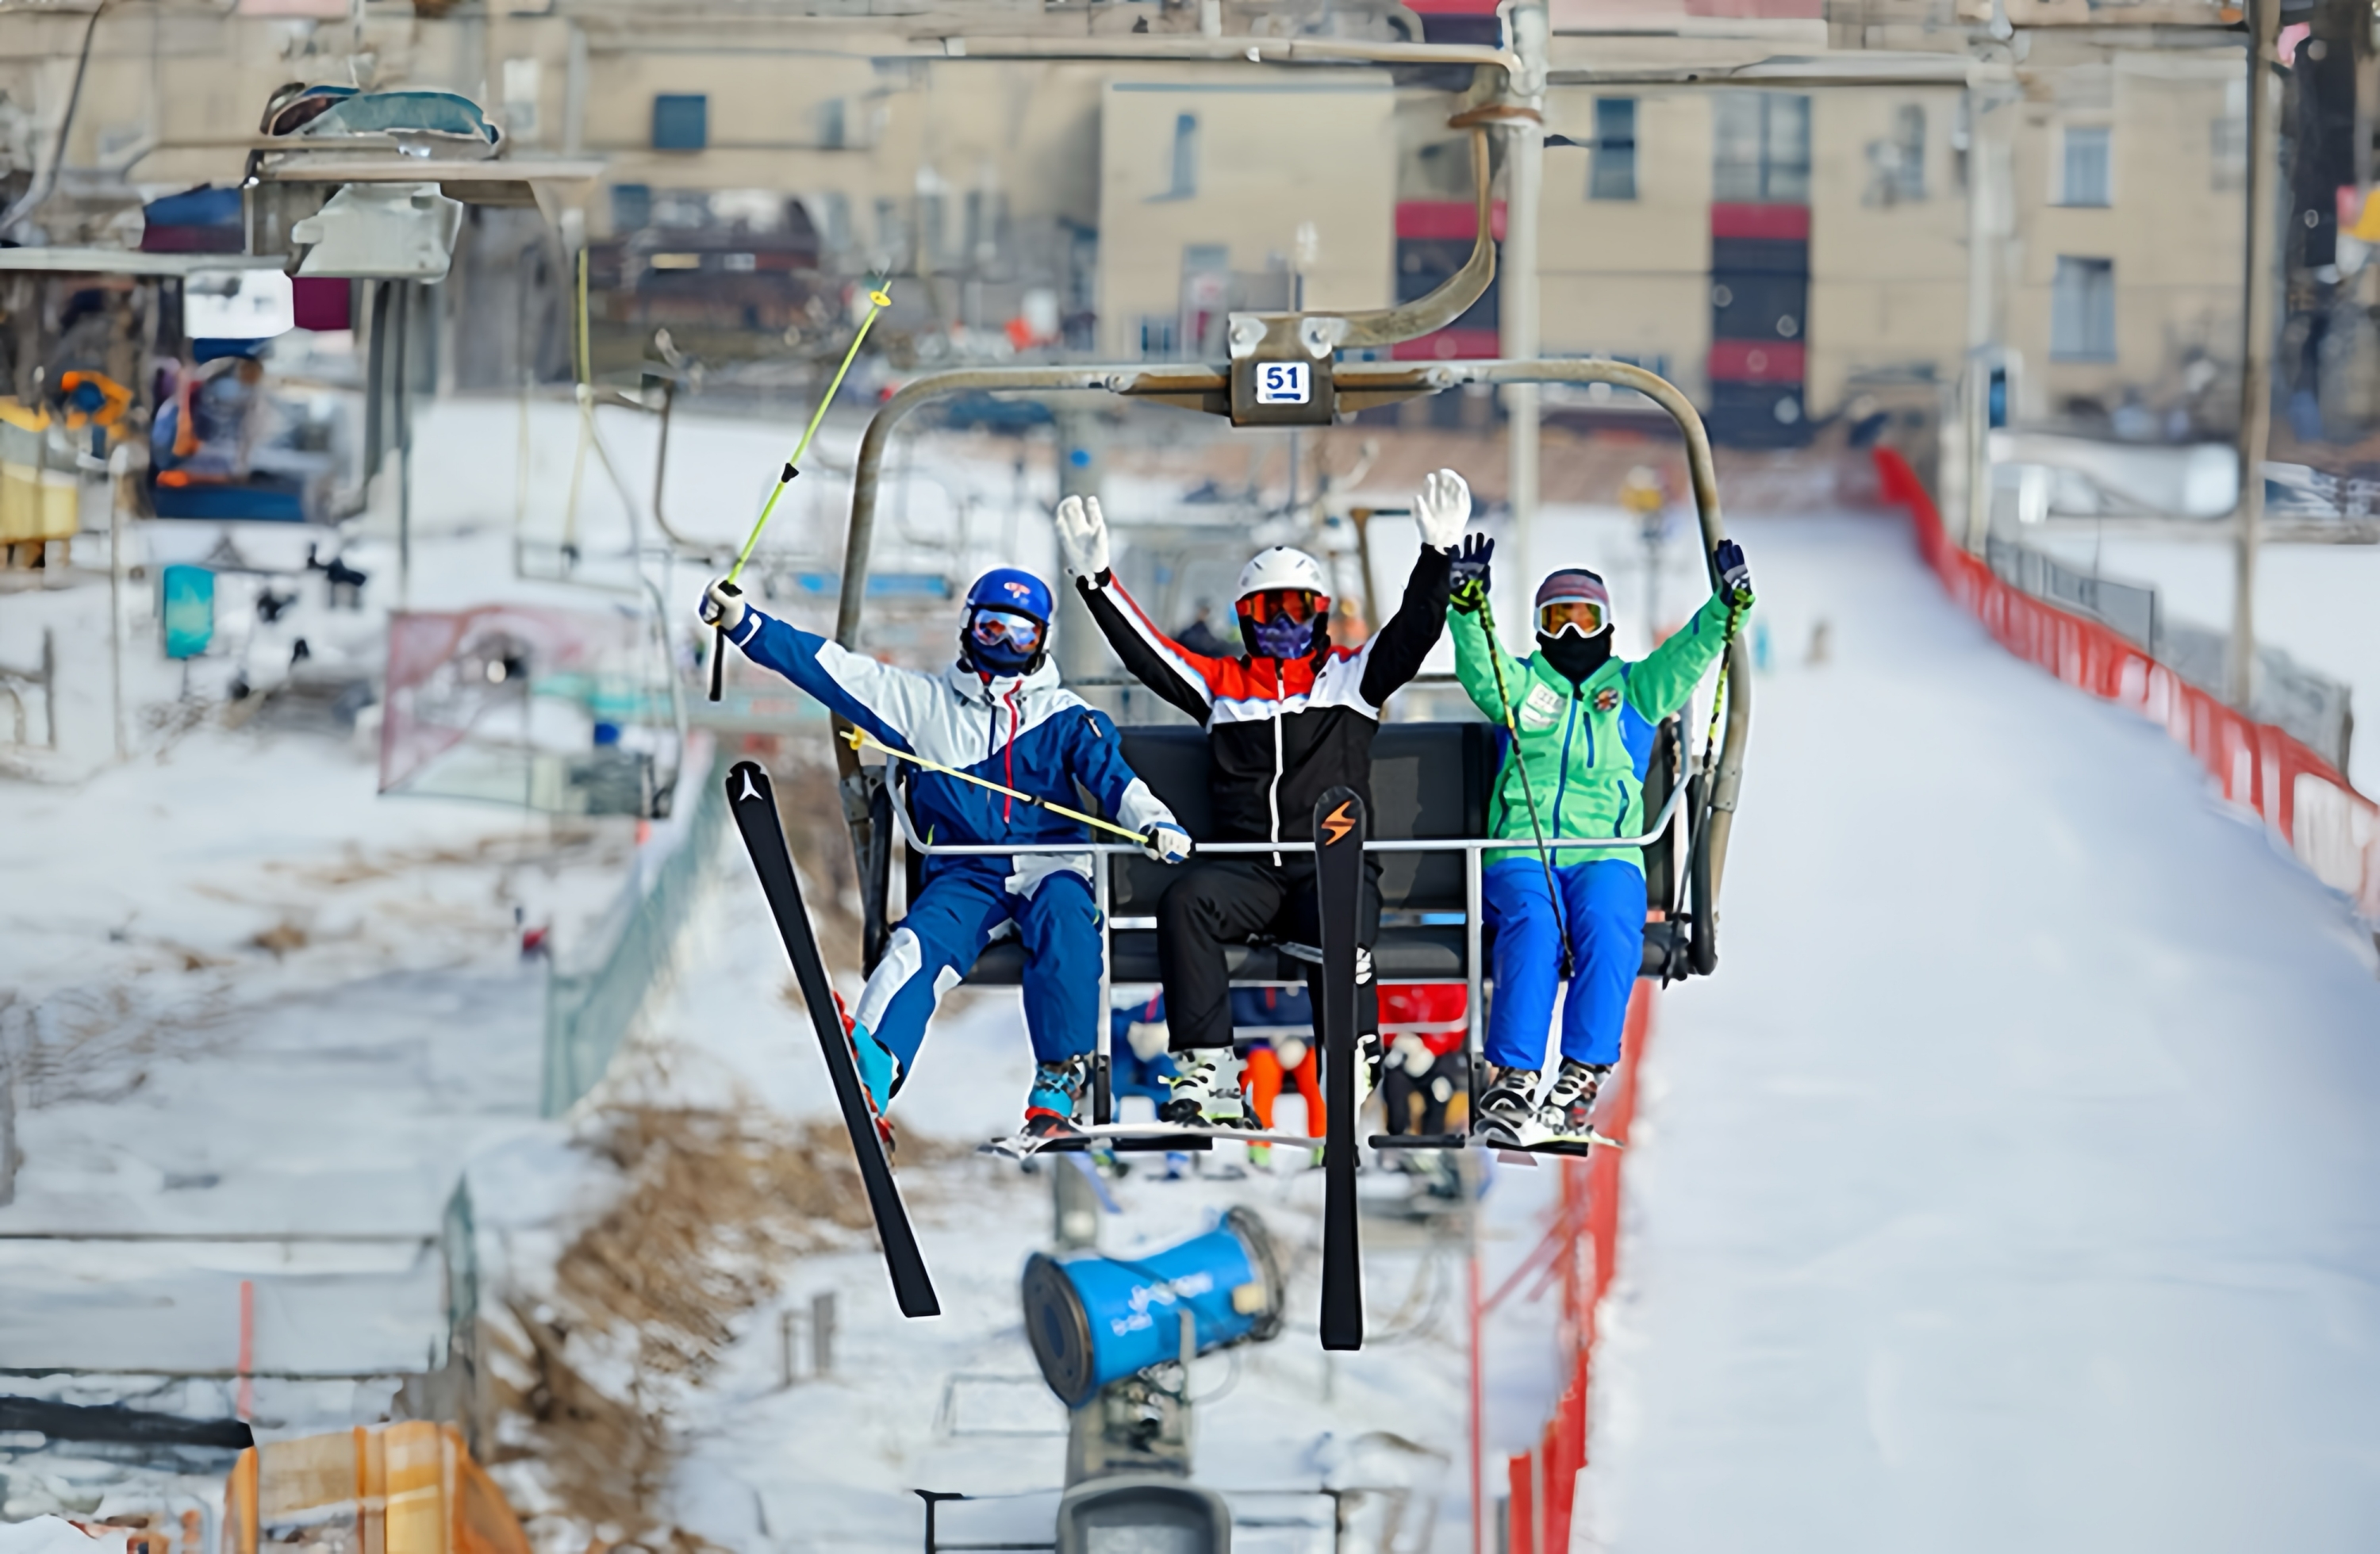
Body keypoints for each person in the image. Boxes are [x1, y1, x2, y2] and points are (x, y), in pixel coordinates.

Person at [699, 568, 1192, 1143]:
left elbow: (1113, 778)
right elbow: (828, 667)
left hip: (1049, 864)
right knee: (915, 945)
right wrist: (744, 624)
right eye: (991, 628)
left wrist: (1153, 821)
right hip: (965, 873)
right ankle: (877, 1061)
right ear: (968, 629)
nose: (1004, 646)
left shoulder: (1063, 715)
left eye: (1020, 635)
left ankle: (1060, 1075)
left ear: (1042, 641)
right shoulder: (922, 703)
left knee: (1069, 926)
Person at [1053, 472, 1470, 1125]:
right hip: (1252, 870)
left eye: (1298, 608)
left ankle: (1348, 1053)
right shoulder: (1222, 685)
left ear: (1319, 615)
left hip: (1329, 863)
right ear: (1243, 618)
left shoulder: (1350, 679)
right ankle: (1210, 1072)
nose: (1283, 622)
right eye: (1266, 609)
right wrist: (1097, 582)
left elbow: (1413, 632)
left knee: (1343, 909)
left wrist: (1436, 557)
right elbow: (1150, 656)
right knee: (1188, 900)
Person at [1447, 537, 1755, 1143]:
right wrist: (1466, 604)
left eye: (1583, 619)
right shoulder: (1522, 688)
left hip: (1606, 851)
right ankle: (1513, 1076)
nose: (1569, 634)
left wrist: (1724, 606)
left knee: (1613, 919)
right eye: (1555, 620)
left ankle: (1580, 1071)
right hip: (1522, 847)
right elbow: (1481, 663)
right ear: (1538, 630)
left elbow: (1688, 655)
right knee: (1533, 925)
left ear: (1607, 626)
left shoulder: (1636, 692)